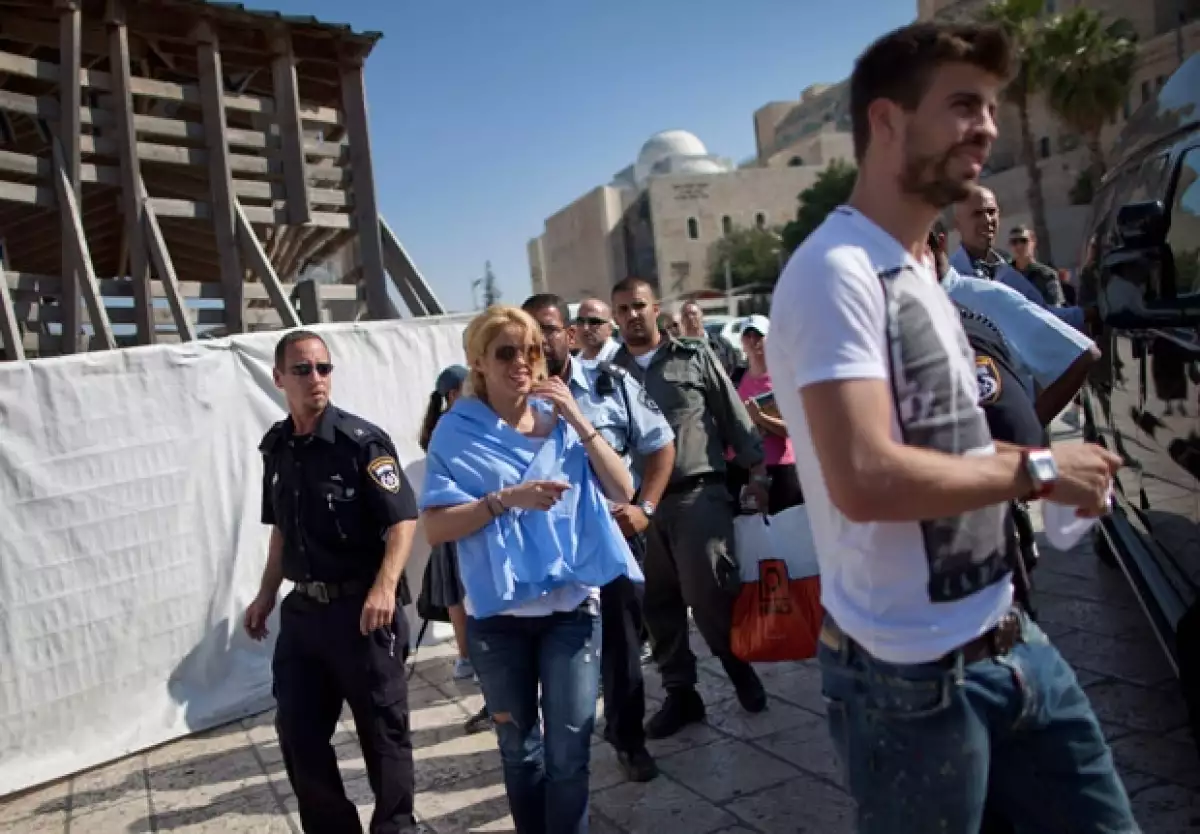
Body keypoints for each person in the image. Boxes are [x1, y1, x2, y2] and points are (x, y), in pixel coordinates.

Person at [765, 21, 1136, 834]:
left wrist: (1047, 468)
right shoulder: (836, 276)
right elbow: (866, 477)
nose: (989, 127)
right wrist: (1039, 472)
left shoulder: (918, 272)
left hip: (1012, 643)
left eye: (993, 107)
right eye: (964, 103)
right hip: (909, 688)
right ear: (888, 122)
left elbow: (946, 448)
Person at [419, 305, 643, 834]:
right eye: (506, 352)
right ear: (478, 361)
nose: (522, 363)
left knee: (570, 752)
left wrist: (580, 419)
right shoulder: (455, 432)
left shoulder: (563, 420)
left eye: (532, 352)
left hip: (570, 608)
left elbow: (623, 489)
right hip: (498, 618)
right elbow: (435, 528)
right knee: (520, 752)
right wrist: (505, 500)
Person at [245, 329, 421, 834]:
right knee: (298, 733)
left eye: (324, 368)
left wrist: (385, 587)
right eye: (302, 370)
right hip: (304, 617)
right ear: (279, 378)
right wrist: (264, 594)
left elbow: (402, 519)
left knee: (383, 738)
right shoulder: (277, 448)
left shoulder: (359, 442)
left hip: (362, 615)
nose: (316, 379)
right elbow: (281, 529)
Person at [523, 292, 676, 782]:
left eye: (547, 329)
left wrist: (645, 508)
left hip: (610, 539)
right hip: (545, 549)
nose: (538, 340)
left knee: (623, 648)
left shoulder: (611, 384)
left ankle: (628, 739)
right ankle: (549, 748)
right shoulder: (507, 397)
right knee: (547, 652)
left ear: (568, 335)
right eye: (528, 331)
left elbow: (661, 444)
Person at [611, 277, 769, 738]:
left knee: (710, 593)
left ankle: (738, 667)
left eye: (638, 305)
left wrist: (758, 472)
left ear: (656, 308)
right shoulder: (608, 373)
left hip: (697, 494)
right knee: (656, 604)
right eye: (622, 309)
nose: (631, 315)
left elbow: (733, 416)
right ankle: (682, 693)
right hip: (641, 508)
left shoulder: (694, 356)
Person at [950, 187, 1088, 331]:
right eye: (977, 214)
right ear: (957, 224)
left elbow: (1042, 315)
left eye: (991, 212)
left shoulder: (1008, 274)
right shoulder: (950, 279)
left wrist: (1087, 314)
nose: (987, 220)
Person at [416, 364, 473, 681]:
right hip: (457, 519)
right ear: (453, 394)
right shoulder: (451, 429)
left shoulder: (439, 427)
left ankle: (467, 657)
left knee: (457, 596)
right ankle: (468, 657)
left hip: (450, 517)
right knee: (460, 597)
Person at [727, 314, 804, 514]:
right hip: (743, 467)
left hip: (779, 468)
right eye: (748, 336)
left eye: (759, 336)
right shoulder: (735, 378)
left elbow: (794, 429)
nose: (753, 341)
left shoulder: (784, 378)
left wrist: (761, 418)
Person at [679, 300, 743, 382]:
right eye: (686, 315)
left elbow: (735, 371)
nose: (690, 317)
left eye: (694, 313)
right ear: (681, 320)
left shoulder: (721, 344)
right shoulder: (679, 350)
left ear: (702, 316)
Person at [1008, 223, 1065, 306]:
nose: (1019, 246)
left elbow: (1055, 307)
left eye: (1023, 241)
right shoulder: (1005, 275)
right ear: (1010, 245)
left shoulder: (1047, 275)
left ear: (1033, 242)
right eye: (1014, 242)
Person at [574, 297, 621, 362]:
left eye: (594, 322)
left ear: (610, 328)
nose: (585, 328)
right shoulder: (575, 361)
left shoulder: (623, 358)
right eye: (580, 321)